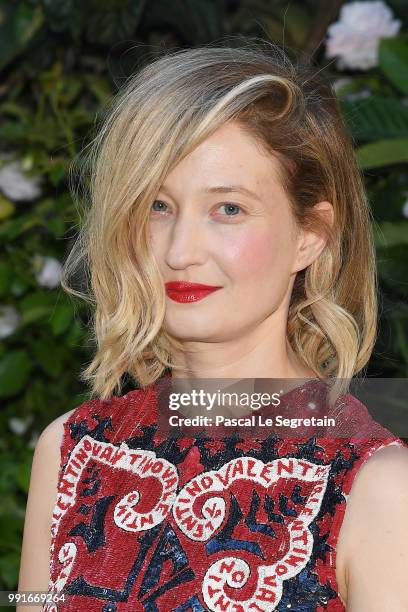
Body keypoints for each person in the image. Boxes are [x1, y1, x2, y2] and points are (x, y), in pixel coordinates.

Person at [18, 40, 408, 611]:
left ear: (311, 233)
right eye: (157, 205)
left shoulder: (378, 488)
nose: (181, 252)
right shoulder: (71, 451)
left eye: (228, 208)